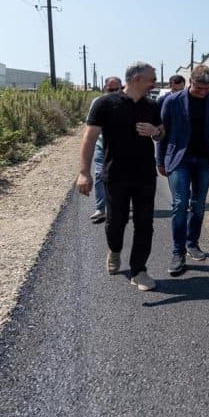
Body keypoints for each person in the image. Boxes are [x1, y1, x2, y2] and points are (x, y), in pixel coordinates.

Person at [77, 62, 164, 291]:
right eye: (151, 79)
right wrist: (84, 173)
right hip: (115, 174)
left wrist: (155, 132)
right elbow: (89, 138)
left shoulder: (152, 105)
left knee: (145, 223)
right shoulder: (105, 104)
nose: (154, 83)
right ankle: (114, 250)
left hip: (145, 174)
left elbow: (162, 131)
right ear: (136, 79)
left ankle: (139, 270)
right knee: (116, 222)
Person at [157, 65, 209, 276]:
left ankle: (192, 243)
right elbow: (162, 132)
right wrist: (160, 160)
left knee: (198, 204)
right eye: (199, 88)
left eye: (207, 88)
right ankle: (177, 251)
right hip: (179, 159)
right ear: (191, 82)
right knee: (180, 203)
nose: (203, 92)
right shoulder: (171, 101)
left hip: (205, 159)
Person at [88, 75, 122, 223]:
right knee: (99, 176)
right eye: (110, 89)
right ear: (105, 88)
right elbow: (91, 126)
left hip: (122, 149)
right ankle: (101, 209)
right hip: (102, 147)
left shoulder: (129, 103)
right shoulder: (97, 103)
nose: (114, 92)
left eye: (117, 89)